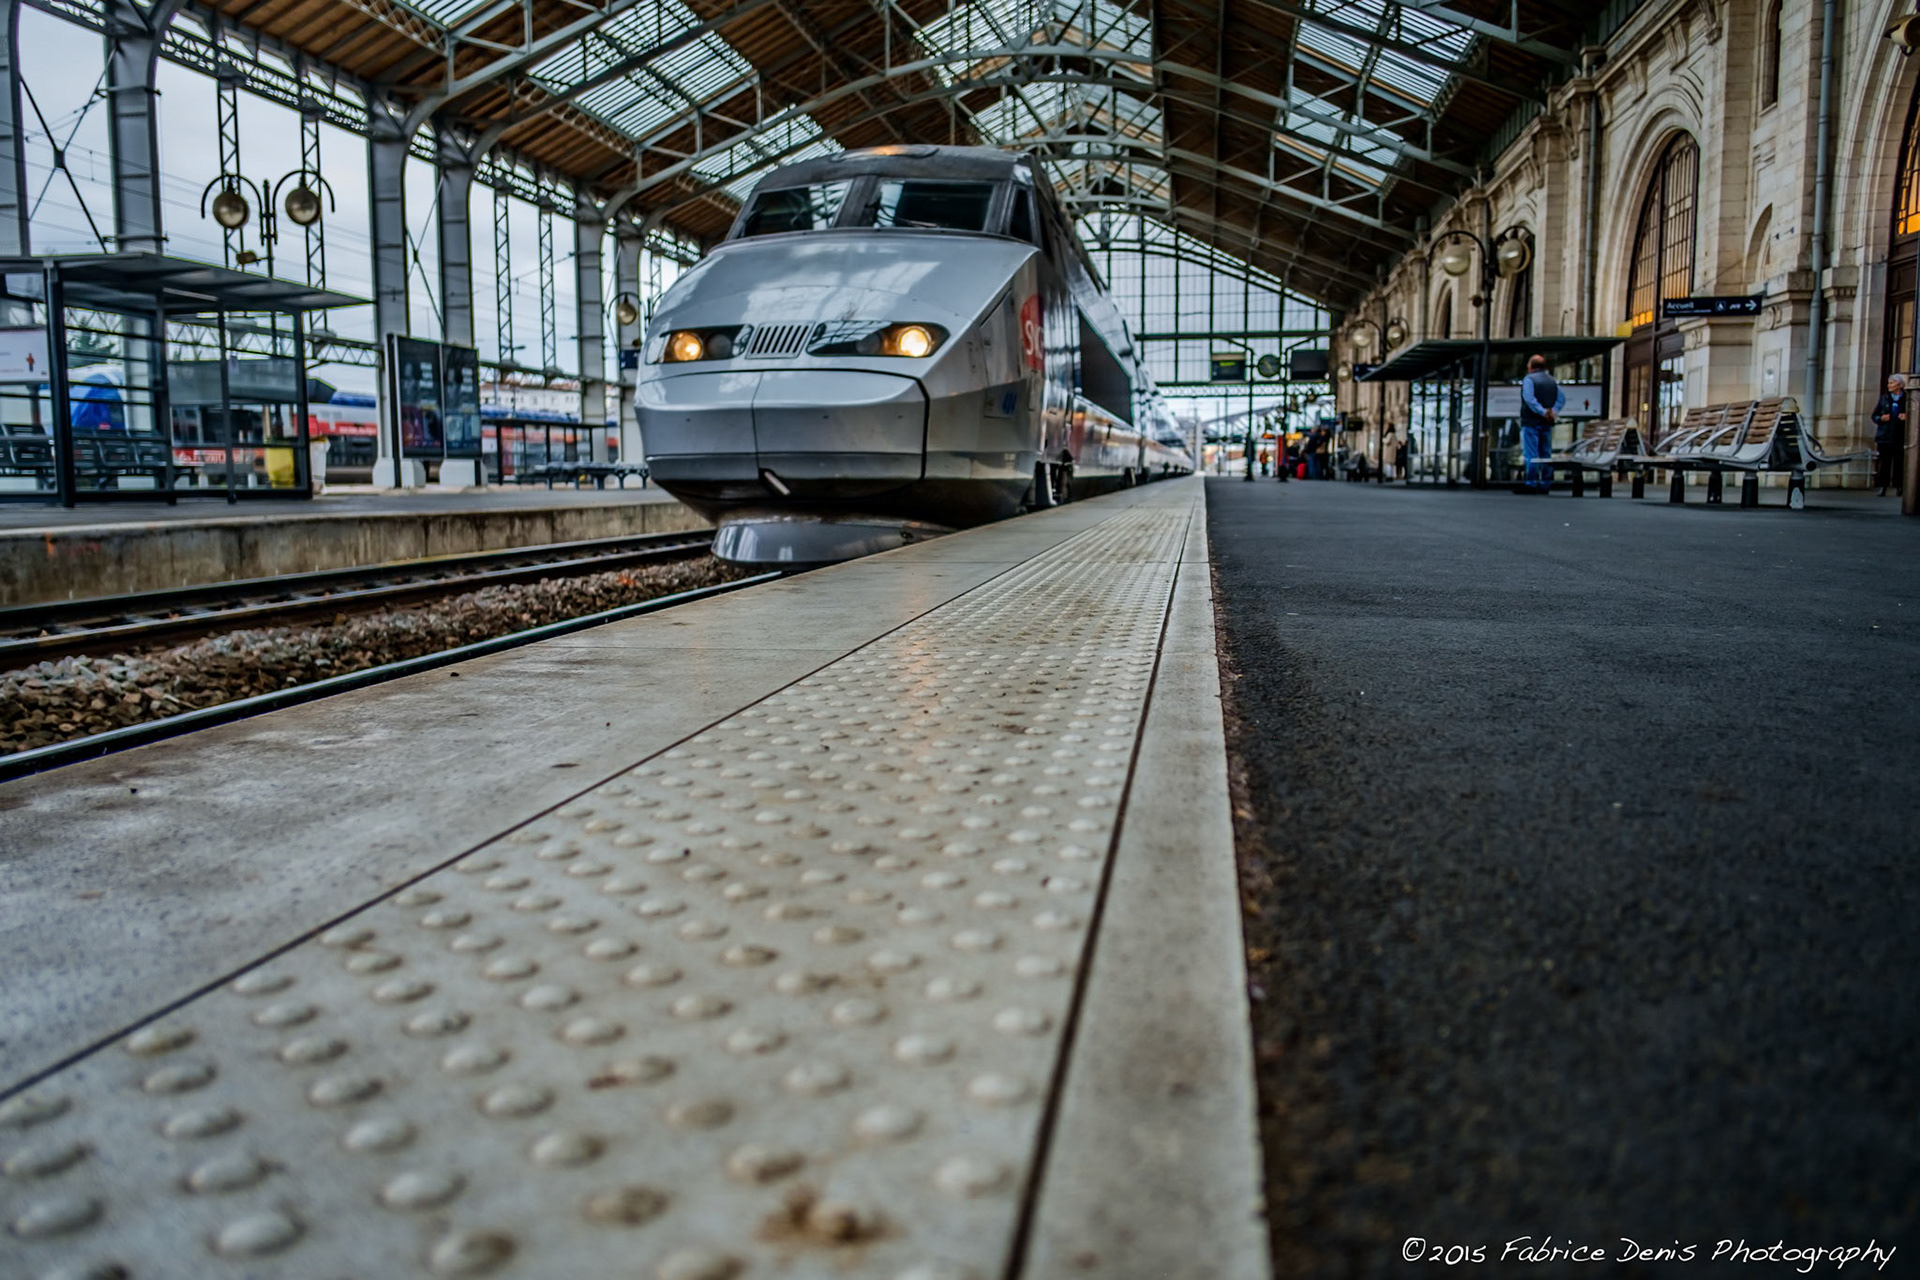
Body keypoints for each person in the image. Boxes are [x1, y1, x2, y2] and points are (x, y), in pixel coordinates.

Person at [1517, 354, 1565, 494]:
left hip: (1531, 421)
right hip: (1547, 423)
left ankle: (1531, 483)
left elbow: (1529, 399)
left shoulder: (1529, 379)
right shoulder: (1552, 380)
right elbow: (1561, 399)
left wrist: (1542, 412)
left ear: (1531, 366)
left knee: (1531, 454)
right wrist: (1552, 412)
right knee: (1545, 453)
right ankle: (1545, 483)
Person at [1871, 373, 1907, 497]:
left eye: (1891, 383)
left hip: (1899, 436)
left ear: (1900, 385)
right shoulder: (1884, 398)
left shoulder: (1907, 399)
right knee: (1884, 463)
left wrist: (1908, 417)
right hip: (1885, 436)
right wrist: (1881, 418)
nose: (1889, 385)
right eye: (1889, 383)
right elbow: (1874, 416)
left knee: (1899, 462)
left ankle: (1899, 486)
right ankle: (1882, 486)